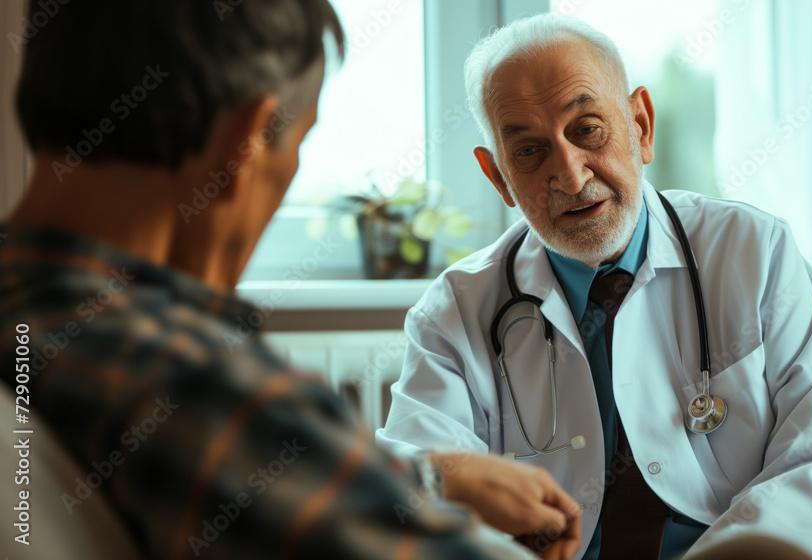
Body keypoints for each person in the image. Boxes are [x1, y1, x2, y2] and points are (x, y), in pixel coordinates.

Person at [0, 2, 582, 559]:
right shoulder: (190, 378)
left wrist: (430, 479)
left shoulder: (39, 317)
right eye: (298, 142)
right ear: (245, 143)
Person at [376, 13, 812, 560]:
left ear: (641, 126)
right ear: (499, 178)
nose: (572, 175)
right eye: (530, 152)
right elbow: (415, 481)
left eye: (587, 130)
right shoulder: (455, 311)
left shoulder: (753, 251)